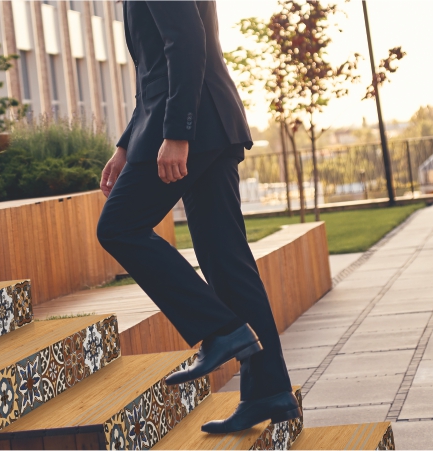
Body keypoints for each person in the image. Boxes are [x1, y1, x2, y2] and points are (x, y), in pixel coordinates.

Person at [96, 1, 299, 433]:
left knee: (119, 227)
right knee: (228, 262)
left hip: (195, 128)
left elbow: (187, 45)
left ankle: (221, 329)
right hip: (208, 126)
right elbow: (154, 71)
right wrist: (126, 144)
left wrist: (177, 133)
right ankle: (270, 391)